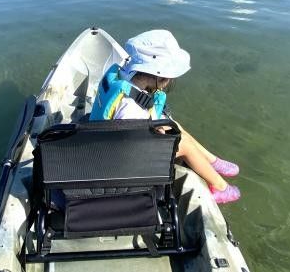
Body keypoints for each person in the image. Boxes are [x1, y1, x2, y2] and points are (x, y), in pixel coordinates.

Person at [90, 29, 241, 204]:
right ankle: (221, 188)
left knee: (173, 124)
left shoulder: (124, 78)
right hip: (117, 162)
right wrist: (161, 135)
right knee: (182, 143)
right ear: (158, 75)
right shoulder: (131, 107)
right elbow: (130, 141)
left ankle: (212, 161)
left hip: (108, 142)